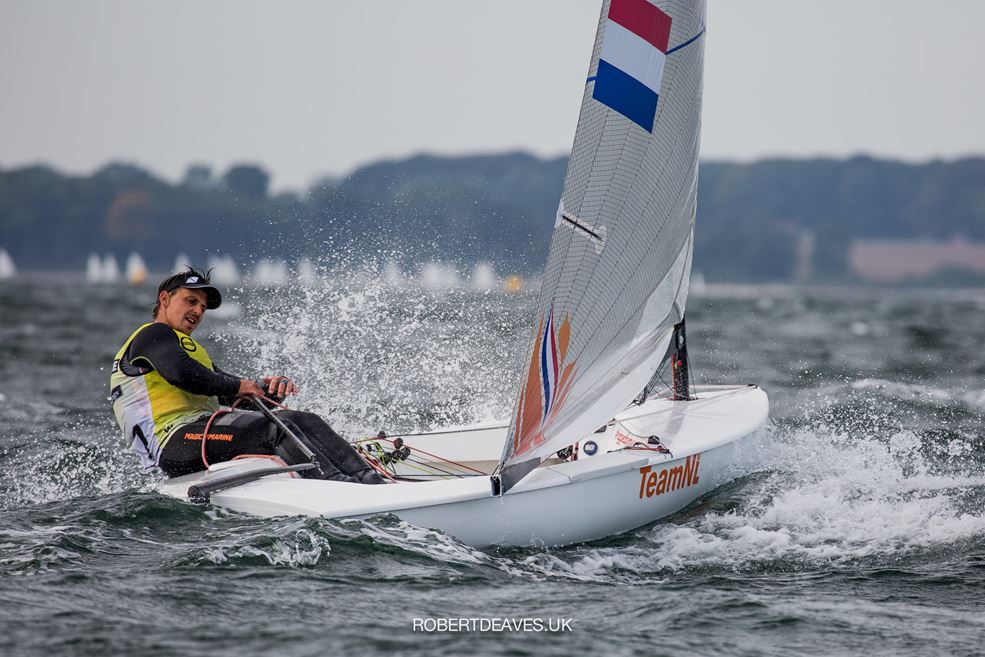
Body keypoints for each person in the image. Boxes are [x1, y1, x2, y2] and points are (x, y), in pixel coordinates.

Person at [109, 267, 385, 484]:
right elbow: (183, 375)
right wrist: (243, 385)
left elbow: (227, 391)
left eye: (203, 307)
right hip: (173, 443)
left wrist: (266, 390)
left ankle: (369, 479)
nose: (197, 311)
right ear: (165, 299)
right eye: (190, 301)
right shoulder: (153, 335)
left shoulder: (184, 346)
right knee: (276, 430)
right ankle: (337, 486)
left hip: (197, 432)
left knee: (299, 420)